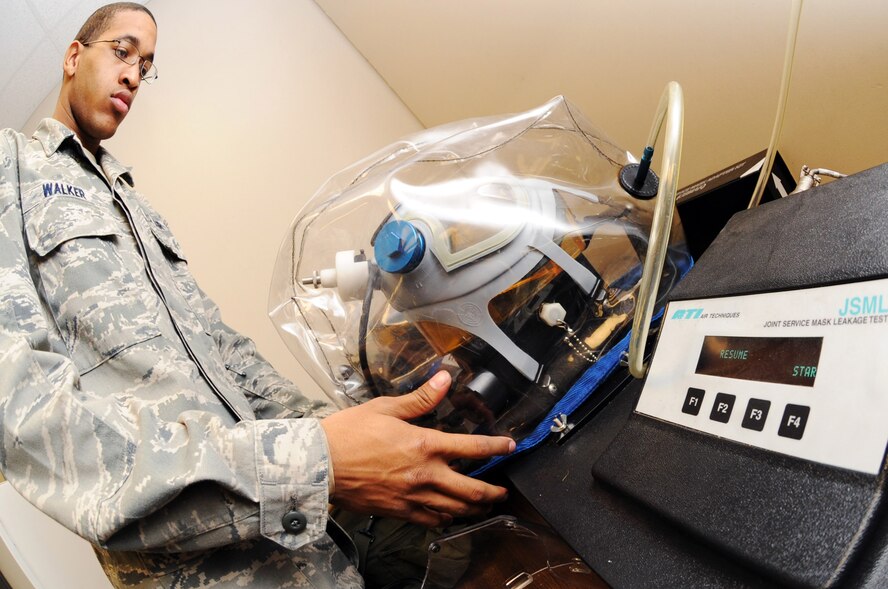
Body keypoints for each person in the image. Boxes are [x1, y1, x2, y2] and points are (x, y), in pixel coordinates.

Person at [0, 4, 515, 587]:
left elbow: (222, 351)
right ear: (73, 56)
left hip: (308, 536)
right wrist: (311, 463)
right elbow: (30, 424)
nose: (134, 77)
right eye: (122, 52)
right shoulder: (9, 171)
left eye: (146, 65)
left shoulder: (132, 206)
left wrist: (362, 435)